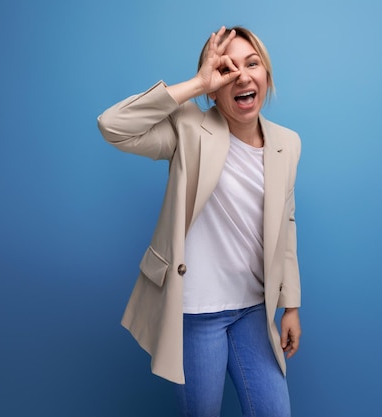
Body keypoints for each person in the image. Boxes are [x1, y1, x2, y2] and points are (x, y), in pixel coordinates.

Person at [97, 26, 302, 417]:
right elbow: (113, 125)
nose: (242, 76)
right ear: (214, 87)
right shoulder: (189, 128)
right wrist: (195, 83)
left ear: (266, 75)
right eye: (227, 69)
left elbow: (285, 226)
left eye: (252, 64)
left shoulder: (287, 143)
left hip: (254, 310)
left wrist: (290, 304)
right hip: (197, 312)